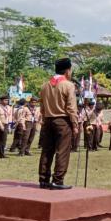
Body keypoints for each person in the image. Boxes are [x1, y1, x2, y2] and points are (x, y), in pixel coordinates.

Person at [38, 58, 79, 190]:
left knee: (46, 151)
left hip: (48, 120)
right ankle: (57, 180)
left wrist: (45, 118)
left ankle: (43, 180)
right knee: (62, 151)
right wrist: (75, 125)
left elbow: (42, 106)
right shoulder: (68, 85)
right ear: (68, 70)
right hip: (62, 121)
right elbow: (71, 107)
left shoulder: (45, 85)